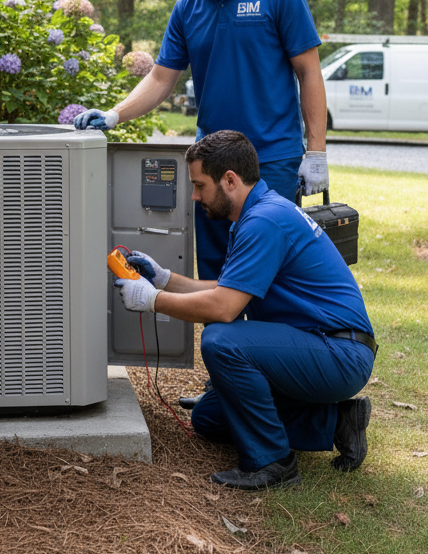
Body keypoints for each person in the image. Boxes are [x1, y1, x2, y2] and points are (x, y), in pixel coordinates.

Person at [73, 0, 330, 280]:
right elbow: (161, 78)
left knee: (273, 278)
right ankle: (220, 342)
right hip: (210, 167)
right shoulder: (187, 7)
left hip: (271, 161)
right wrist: (115, 114)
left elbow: (309, 73)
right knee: (215, 275)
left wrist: (317, 153)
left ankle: (268, 341)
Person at [113, 131, 377, 491]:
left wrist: (151, 300)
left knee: (222, 340)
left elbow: (223, 308)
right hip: (320, 345)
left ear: (230, 180)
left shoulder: (264, 221)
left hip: (339, 352)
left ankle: (273, 463)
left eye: (199, 185)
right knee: (209, 418)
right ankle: (337, 422)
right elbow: (229, 291)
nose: (194, 196)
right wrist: (162, 279)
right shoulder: (259, 212)